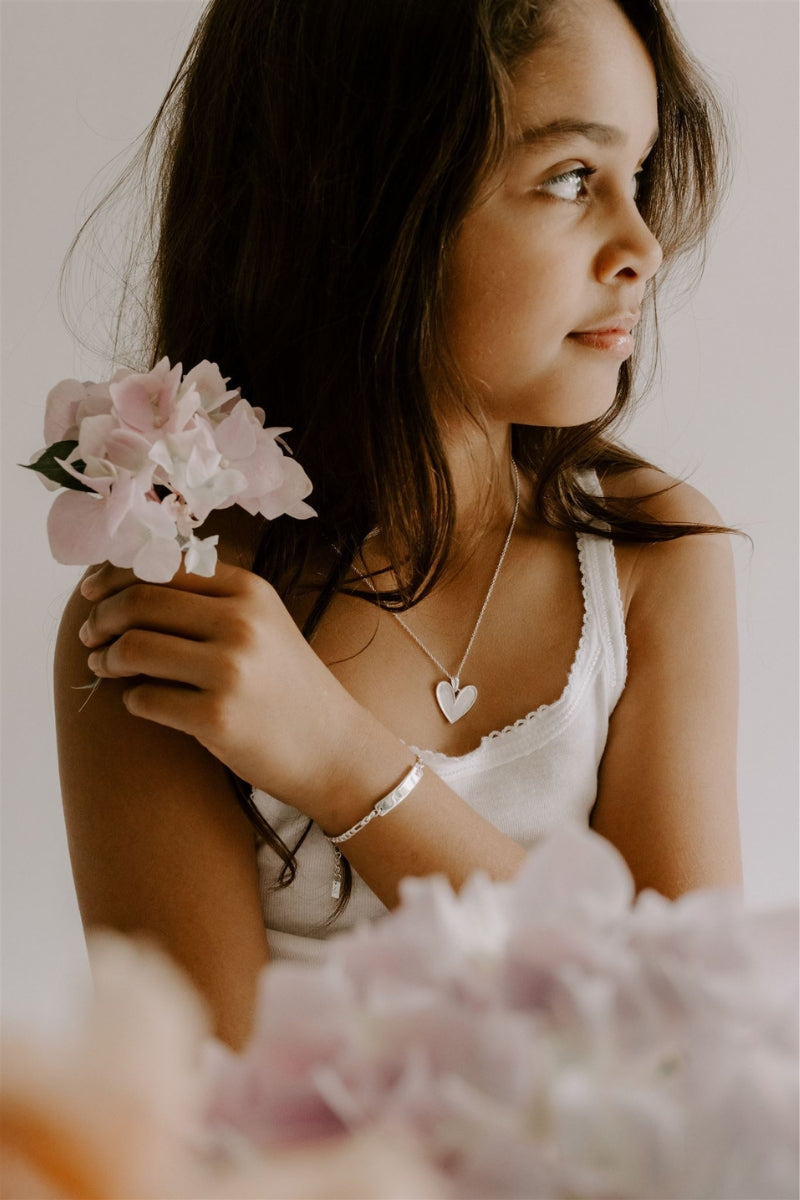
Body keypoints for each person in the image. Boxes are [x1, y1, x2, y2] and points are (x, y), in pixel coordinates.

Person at [54, 0, 743, 1048]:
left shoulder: (651, 558)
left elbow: (698, 1042)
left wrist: (344, 765)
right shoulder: (170, 615)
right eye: (569, 177)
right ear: (363, 199)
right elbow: (200, 1128)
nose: (641, 246)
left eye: (637, 177)